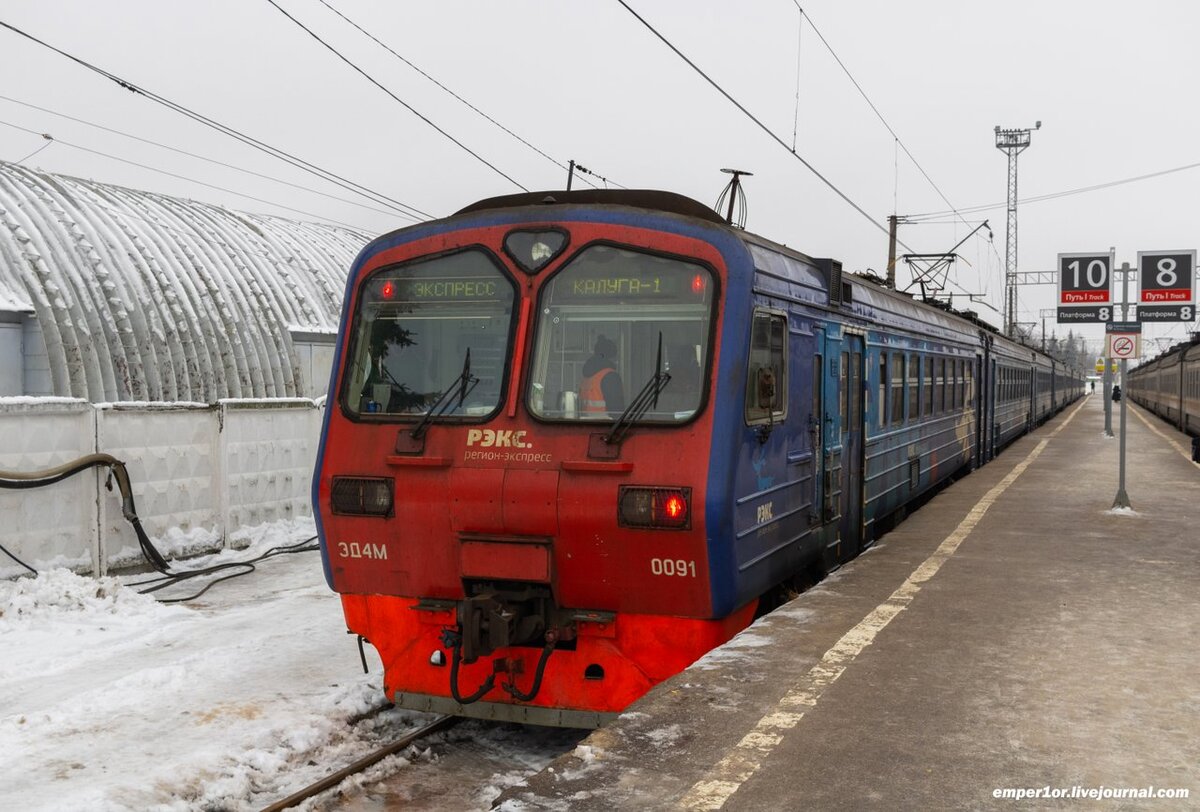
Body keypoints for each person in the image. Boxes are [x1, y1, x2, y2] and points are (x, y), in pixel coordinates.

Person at [580, 335, 624, 415]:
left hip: (586, 425)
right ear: (611, 356)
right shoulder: (611, 377)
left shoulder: (587, 377)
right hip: (604, 425)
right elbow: (617, 412)